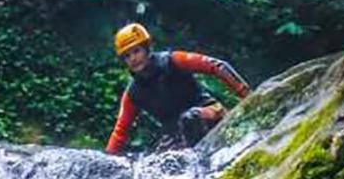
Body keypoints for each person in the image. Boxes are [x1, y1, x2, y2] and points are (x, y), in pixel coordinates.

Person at [105, 22, 251, 155]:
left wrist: (249, 97)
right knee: (161, 157)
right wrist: (106, 161)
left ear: (147, 48)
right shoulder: (133, 93)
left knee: (190, 119)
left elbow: (217, 66)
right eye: (127, 56)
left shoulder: (173, 61)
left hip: (209, 112)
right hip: (178, 135)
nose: (133, 58)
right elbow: (120, 132)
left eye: (136, 51)